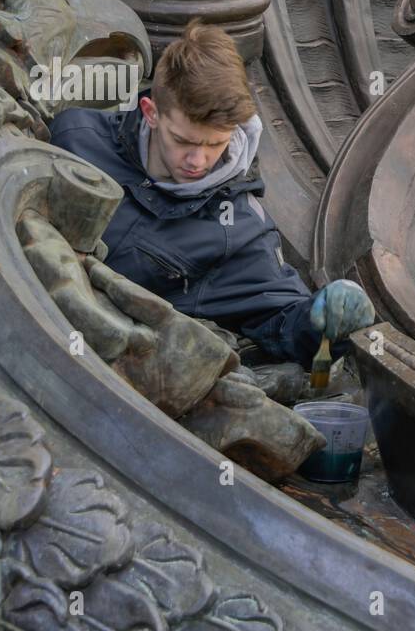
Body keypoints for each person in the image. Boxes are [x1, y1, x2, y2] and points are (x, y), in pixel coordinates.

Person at [48, 18, 375, 371]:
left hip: (103, 371)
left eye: (215, 144)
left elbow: (284, 323)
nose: (197, 160)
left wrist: (326, 320)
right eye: (183, 141)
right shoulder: (76, 137)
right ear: (151, 112)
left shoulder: (240, 230)